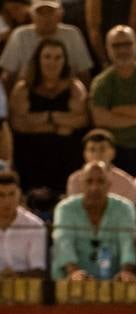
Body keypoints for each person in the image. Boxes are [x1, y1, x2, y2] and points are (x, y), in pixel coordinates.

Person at [8, 36, 86, 196]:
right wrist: (56, 122)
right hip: (30, 159)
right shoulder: (23, 88)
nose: (52, 62)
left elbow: (81, 120)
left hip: (66, 159)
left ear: (65, 61)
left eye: (58, 57)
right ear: (38, 60)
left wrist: (37, 120)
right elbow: (19, 124)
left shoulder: (75, 87)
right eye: (47, 57)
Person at [89, 25, 136, 175]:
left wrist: (117, 110)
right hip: (115, 151)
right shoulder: (101, 82)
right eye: (116, 46)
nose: (122, 50)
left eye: (127, 44)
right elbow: (100, 118)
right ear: (107, 48)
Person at [50, 161, 136, 281]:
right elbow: (64, 241)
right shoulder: (65, 208)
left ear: (109, 184)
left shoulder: (125, 208)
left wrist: (126, 272)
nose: (95, 187)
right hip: (69, 280)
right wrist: (74, 272)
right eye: (89, 181)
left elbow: (127, 242)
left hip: (114, 281)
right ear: (81, 183)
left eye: (101, 181)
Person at [0, 0, 91, 88]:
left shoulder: (73, 34)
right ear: (32, 15)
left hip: (67, 93)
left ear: (60, 14)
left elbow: (84, 73)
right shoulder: (19, 35)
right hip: (27, 93)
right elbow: (7, 75)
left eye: (50, 12)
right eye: (40, 13)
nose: (46, 17)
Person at [66, 129, 136, 201]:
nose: (97, 154)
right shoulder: (75, 180)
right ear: (84, 154)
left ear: (113, 152)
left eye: (102, 149)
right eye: (92, 149)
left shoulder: (126, 182)